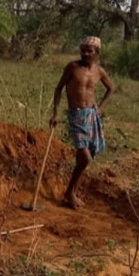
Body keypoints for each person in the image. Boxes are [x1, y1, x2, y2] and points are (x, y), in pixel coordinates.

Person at [50, 36, 114, 209]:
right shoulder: (73, 67)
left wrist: (100, 108)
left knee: (86, 154)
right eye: (83, 50)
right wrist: (56, 113)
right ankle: (69, 192)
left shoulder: (99, 71)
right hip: (76, 115)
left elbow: (110, 88)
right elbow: (58, 88)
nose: (86, 54)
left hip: (91, 115)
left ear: (97, 53)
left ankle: (71, 194)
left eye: (90, 51)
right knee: (85, 158)